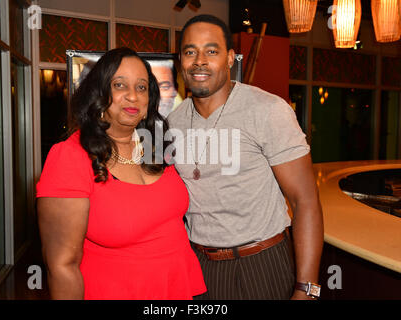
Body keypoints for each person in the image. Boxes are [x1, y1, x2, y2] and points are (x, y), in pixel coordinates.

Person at [167, 15, 324, 300]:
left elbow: (306, 201)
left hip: (260, 263)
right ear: (181, 61)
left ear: (229, 59)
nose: (199, 60)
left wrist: (307, 289)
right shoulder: (173, 121)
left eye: (211, 51)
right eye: (190, 52)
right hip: (198, 265)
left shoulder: (267, 110)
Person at [36, 47, 206, 300]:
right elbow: (62, 266)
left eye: (141, 88)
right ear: (98, 95)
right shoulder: (70, 156)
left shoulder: (156, 149)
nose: (132, 96)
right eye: (119, 85)